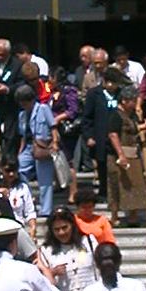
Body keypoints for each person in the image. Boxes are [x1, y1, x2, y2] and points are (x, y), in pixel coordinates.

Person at [107, 84, 146, 227]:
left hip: (133, 154)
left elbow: (134, 129)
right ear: (124, 100)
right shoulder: (115, 114)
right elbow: (113, 135)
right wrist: (121, 154)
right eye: (132, 100)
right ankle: (114, 216)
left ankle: (133, 216)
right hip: (119, 155)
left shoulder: (132, 116)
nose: (134, 102)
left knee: (135, 185)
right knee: (116, 185)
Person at [15, 84, 59, 219]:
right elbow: (23, 135)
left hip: (43, 146)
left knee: (45, 179)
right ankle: (27, 201)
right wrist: (20, 152)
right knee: (21, 171)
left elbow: (53, 127)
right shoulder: (22, 115)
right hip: (28, 147)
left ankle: (46, 209)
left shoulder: (43, 109)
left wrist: (55, 143)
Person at [82, 67, 125, 201]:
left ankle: (119, 192)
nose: (111, 85)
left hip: (118, 135)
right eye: (108, 82)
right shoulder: (94, 94)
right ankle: (103, 191)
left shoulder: (121, 94)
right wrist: (89, 136)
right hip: (100, 135)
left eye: (114, 82)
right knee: (102, 164)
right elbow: (87, 117)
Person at [0, 156, 38, 240]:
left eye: (14, 170)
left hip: (16, 229)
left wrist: (33, 229)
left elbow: (30, 212)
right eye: (8, 171)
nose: (11, 174)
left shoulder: (22, 187)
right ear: (1, 169)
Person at [50, 66, 82, 204]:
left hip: (67, 131)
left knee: (69, 161)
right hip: (55, 130)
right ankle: (59, 183)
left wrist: (58, 118)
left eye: (51, 77)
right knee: (57, 158)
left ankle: (73, 192)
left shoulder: (69, 91)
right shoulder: (53, 92)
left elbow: (72, 111)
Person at [0, 38, 23, 137]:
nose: (0, 57)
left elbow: (21, 82)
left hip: (10, 103)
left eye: (3, 54)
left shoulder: (17, 64)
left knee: (10, 133)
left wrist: (8, 89)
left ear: (8, 52)